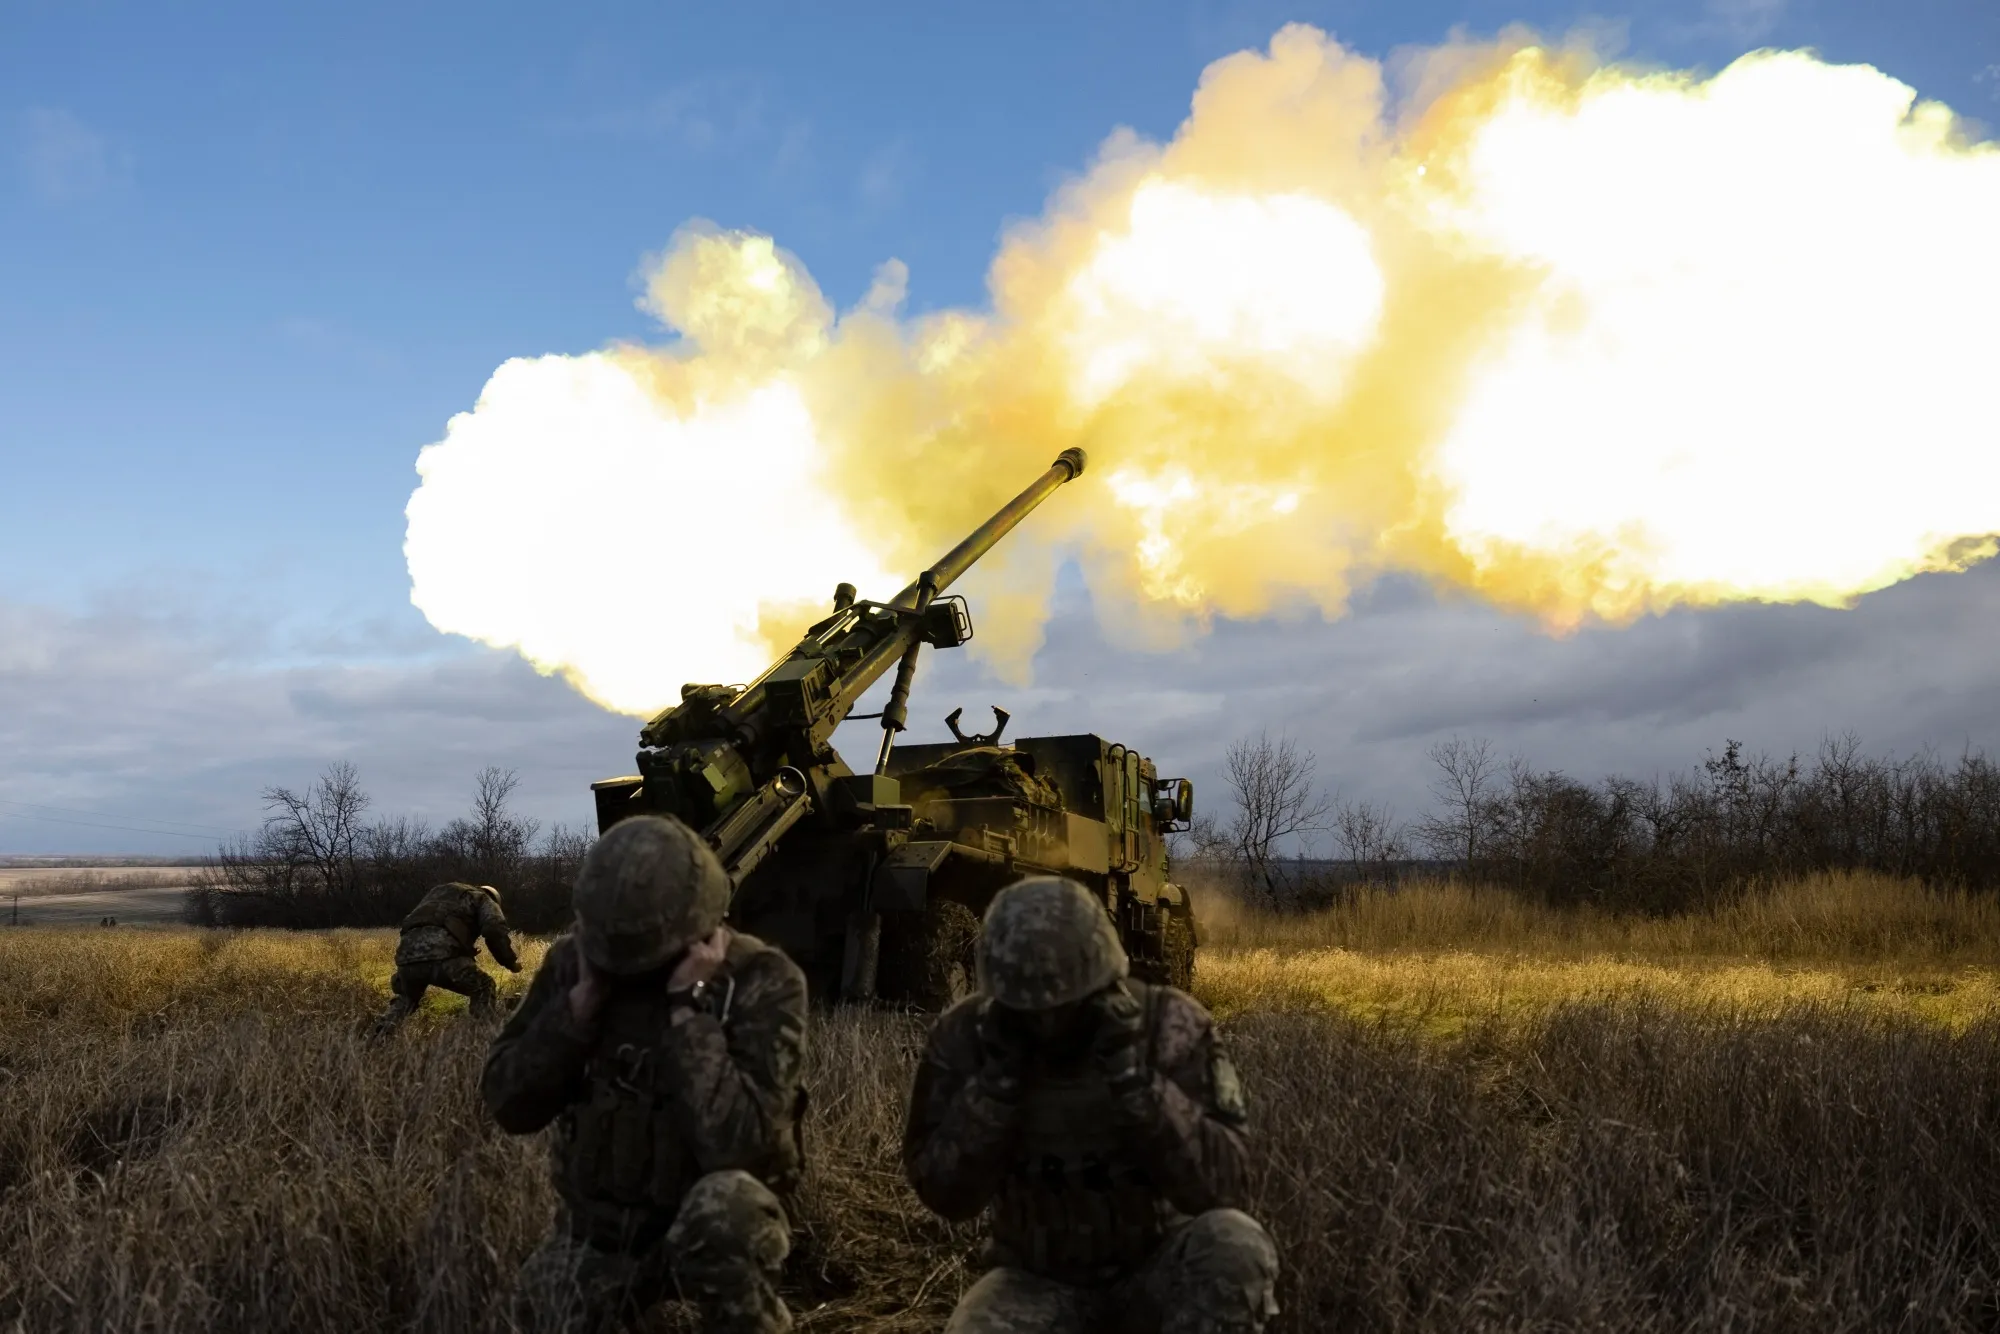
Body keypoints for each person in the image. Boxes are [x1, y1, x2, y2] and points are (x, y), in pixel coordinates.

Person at [903, 876, 1279, 1334]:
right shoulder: (967, 1037)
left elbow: (1229, 1183)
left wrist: (1138, 1085)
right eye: (1029, 1010)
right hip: (1036, 1281)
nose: (1047, 1022)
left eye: (1064, 1007)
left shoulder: (1168, 1024)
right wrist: (993, 1093)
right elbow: (943, 1193)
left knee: (1235, 1246)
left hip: (1156, 1266)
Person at [483, 814, 807, 1334]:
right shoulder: (575, 964)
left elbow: (742, 1147)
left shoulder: (761, 978)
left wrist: (688, 1014)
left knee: (727, 1211)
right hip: (599, 1233)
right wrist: (574, 1016)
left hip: (706, 1225)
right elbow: (508, 1104)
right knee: (537, 1309)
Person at [373, 881, 520, 1031]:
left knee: (406, 998)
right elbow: (494, 929)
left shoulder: (440, 893)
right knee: (484, 986)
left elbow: (422, 923)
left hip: (407, 957)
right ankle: (483, 1033)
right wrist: (509, 962)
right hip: (444, 955)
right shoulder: (483, 898)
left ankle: (381, 1032)